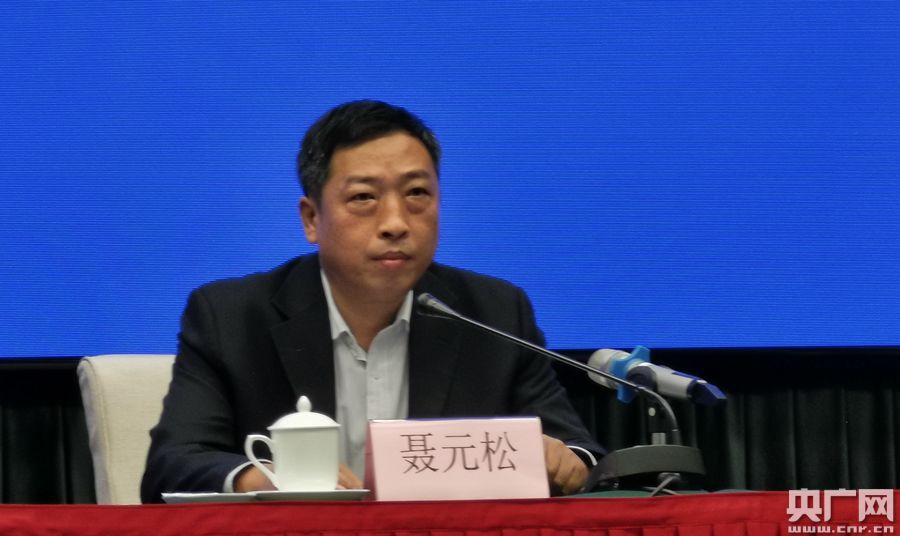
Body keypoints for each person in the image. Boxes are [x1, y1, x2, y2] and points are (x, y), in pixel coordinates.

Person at [140, 100, 602, 503]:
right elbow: (174, 462)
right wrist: (259, 478)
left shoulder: (493, 312)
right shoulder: (232, 317)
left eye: (417, 193)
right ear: (311, 219)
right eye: (364, 197)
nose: (395, 223)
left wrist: (565, 460)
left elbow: (581, 453)